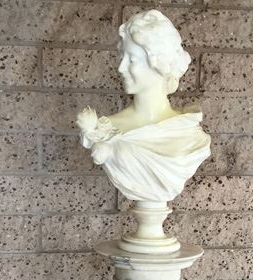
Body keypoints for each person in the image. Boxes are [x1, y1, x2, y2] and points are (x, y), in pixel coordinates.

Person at [76, 10, 211, 204]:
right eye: (122, 57)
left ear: (159, 63)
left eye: (131, 60)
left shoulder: (189, 135)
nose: (120, 68)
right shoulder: (107, 128)